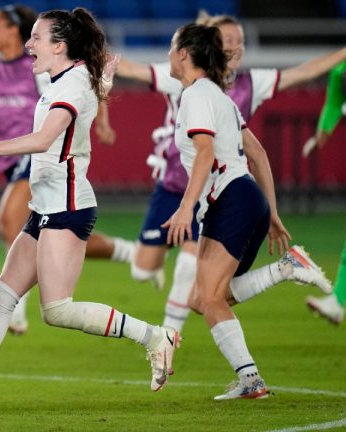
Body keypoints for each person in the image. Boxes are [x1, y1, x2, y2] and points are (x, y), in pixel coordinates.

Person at [0, 8, 180, 413]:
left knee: (57, 310)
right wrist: (105, 79)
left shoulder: (69, 85)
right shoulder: (65, 78)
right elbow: (86, 93)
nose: (29, 45)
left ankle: (155, 336)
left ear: (59, 46)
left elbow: (47, 137)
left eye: (36, 38)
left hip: (67, 208)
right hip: (46, 206)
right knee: (1, 297)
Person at [113, 12, 339, 332]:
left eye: (239, 41)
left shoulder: (235, 86)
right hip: (180, 186)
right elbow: (132, 69)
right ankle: (284, 271)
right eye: (226, 39)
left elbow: (303, 74)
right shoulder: (188, 79)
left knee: (200, 280)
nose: (234, 46)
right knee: (156, 274)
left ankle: (169, 336)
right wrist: (92, 56)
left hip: (217, 190)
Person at [0, 4, 133, 334]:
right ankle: (127, 252)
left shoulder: (42, 73)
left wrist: (100, 114)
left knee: (8, 220)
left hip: (31, 154)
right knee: (41, 239)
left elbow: (74, 104)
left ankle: (15, 311)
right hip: (12, 158)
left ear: (13, 32)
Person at [163, 23, 330, 400]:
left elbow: (205, 153)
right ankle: (285, 270)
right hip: (243, 198)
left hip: (231, 200)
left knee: (209, 298)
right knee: (203, 298)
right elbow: (258, 153)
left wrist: (185, 207)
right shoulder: (220, 97)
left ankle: (252, 381)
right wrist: (270, 211)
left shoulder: (197, 96)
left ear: (185, 54)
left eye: (173, 48)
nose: (169, 55)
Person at [303, 61, 346, 324]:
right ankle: (338, 302)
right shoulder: (340, 72)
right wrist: (321, 136)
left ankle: (338, 303)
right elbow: (333, 102)